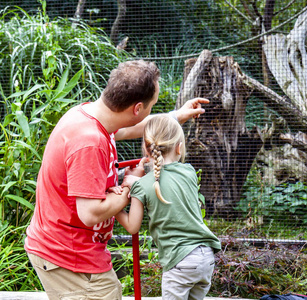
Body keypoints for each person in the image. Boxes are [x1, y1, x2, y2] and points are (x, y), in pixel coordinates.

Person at [24, 59, 209, 300]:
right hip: (68, 253)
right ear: (137, 108)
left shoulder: (94, 116)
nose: (151, 110)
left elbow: (130, 128)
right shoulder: (90, 142)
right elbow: (90, 214)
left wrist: (175, 117)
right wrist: (128, 188)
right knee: (108, 293)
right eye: (152, 106)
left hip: (75, 245)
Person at [115, 114, 221, 300]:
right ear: (179, 147)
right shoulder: (189, 172)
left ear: (146, 150)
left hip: (180, 260)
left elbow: (133, 226)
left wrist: (116, 205)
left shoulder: (142, 185)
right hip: (206, 257)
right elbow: (167, 182)